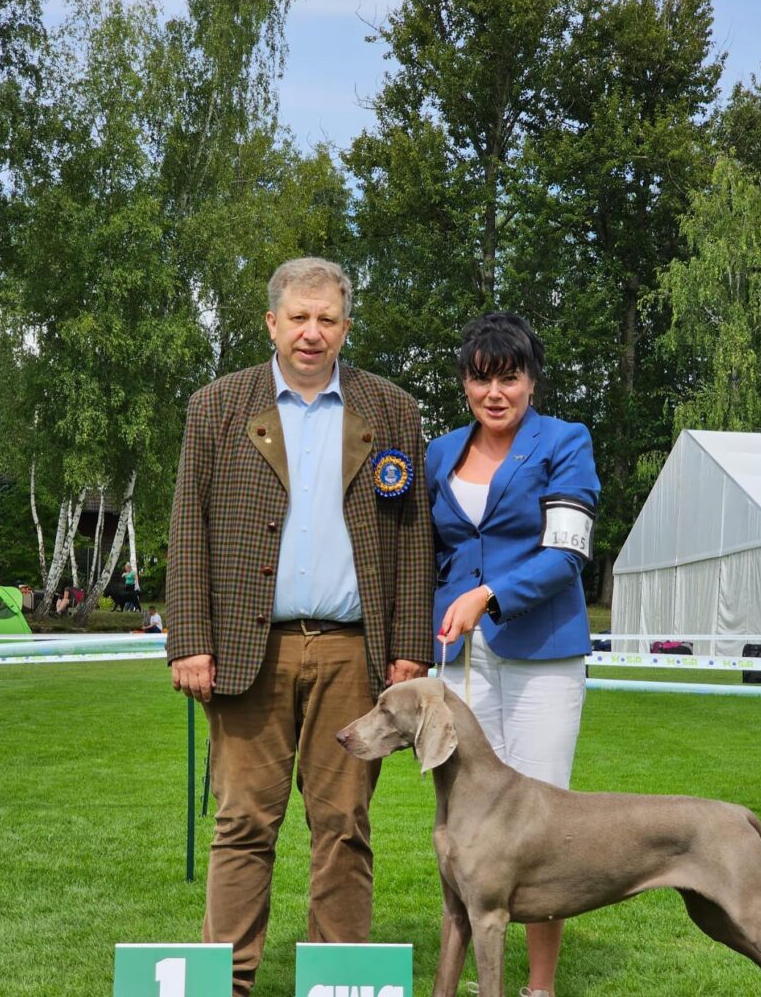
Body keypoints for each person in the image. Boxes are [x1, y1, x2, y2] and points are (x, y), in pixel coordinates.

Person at [166, 256, 435, 997]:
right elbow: (188, 527)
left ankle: (338, 982)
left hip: (355, 654)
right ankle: (229, 982)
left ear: (345, 327)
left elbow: (412, 535)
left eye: (327, 319)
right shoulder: (216, 405)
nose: (312, 333)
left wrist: (411, 642)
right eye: (298, 318)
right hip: (249, 651)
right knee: (243, 823)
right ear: (271, 323)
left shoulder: (392, 410)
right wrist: (189, 639)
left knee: (344, 823)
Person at [426, 311, 600, 997]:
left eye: (509, 376)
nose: (494, 392)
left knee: (538, 824)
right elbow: (426, 553)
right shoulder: (439, 452)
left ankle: (539, 986)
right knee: (466, 820)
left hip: (541, 655)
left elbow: (567, 553)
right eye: (480, 377)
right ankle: (470, 978)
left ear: (531, 381)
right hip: (457, 660)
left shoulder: (565, 441)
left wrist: (490, 596)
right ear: (464, 381)